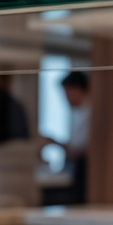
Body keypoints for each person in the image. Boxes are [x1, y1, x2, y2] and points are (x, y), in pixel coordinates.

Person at [43, 71, 89, 205]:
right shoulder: (78, 112)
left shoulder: (90, 113)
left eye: (67, 93)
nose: (66, 98)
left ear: (77, 90)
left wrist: (53, 142)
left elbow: (78, 150)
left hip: (85, 172)